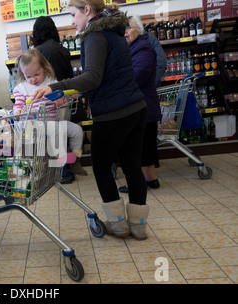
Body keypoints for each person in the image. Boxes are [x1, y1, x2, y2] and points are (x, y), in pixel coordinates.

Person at [32, 0, 150, 240]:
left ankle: (118, 225)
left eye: (74, 14)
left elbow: (93, 78)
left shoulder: (94, 35)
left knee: (100, 166)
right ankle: (138, 226)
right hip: (135, 108)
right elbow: (105, 76)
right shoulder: (115, 32)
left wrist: (57, 87)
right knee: (131, 166)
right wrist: (67, 92)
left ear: (87, 10)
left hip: (112, 112)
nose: (72, 21)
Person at [12, 48, 87, 178]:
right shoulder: (21, 88)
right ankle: (58, 166)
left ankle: (75, 161)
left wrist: (61, 99)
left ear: (44, 68)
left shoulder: (52, 84)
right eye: (28, 76)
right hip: (36, 124)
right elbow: (18, 104)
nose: (33, 79)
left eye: (37, 74)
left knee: (77, 130)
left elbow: (62, 98)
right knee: (57, 132)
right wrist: (17, 111)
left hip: (53, 121)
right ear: (23, 74)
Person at [32, 16, 87, 181]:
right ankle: (70, 165)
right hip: (66, 97)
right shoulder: (62, 49)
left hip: (49, 99)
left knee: (55, 136)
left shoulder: (37, 53)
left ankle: (60, 171)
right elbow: (70, 75)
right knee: (68, 132)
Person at [119, 15, 162, 194]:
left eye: (128, 28)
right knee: (148, 144)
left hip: (143, 105)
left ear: (139, 29)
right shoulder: (136, 47)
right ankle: (151, 178)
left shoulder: (142, 47)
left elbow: (140, 74)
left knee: (140, 146)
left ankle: (137, 183)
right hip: (146, 105)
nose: (125, 33)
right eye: (123, 30)